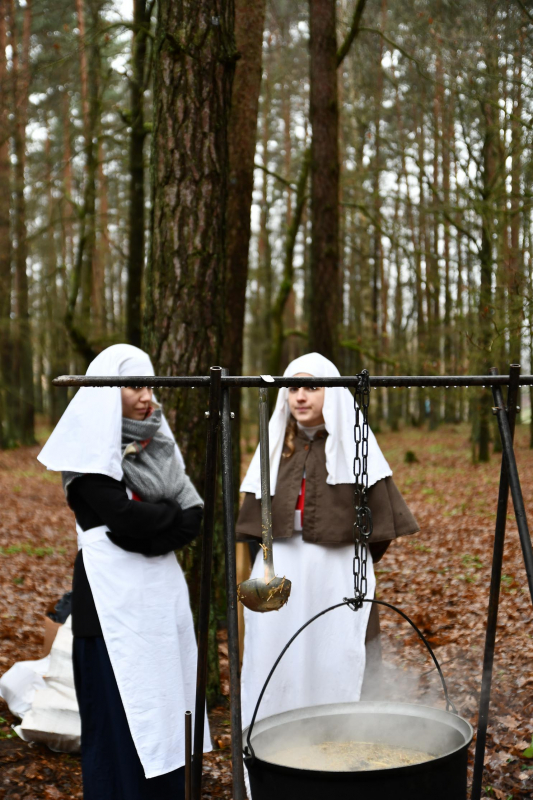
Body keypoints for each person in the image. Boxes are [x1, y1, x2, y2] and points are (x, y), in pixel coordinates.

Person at [38, 344, 211, 800]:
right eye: (135, 385)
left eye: (151, 385)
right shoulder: (85, 456)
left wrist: (153, 528)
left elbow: (192, 515)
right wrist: (163, 517)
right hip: (108, 613)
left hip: (159, 605)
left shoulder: (159, 445)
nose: (146, 396)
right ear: (106, 392)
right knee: (118, 724)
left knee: (164, 715)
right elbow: (121, 517)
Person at [236, 352, 419, 732]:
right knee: (276, 655)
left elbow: (380, 528)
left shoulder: (355, 445)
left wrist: (346, 557)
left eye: (312, 387)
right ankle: (275, 741)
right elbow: (255, 526)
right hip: (279, 570)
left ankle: (338, 742)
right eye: (293, 388)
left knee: (334, 654)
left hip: (337, 572)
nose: (300, 396)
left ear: (331, 394)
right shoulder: (275, 447)